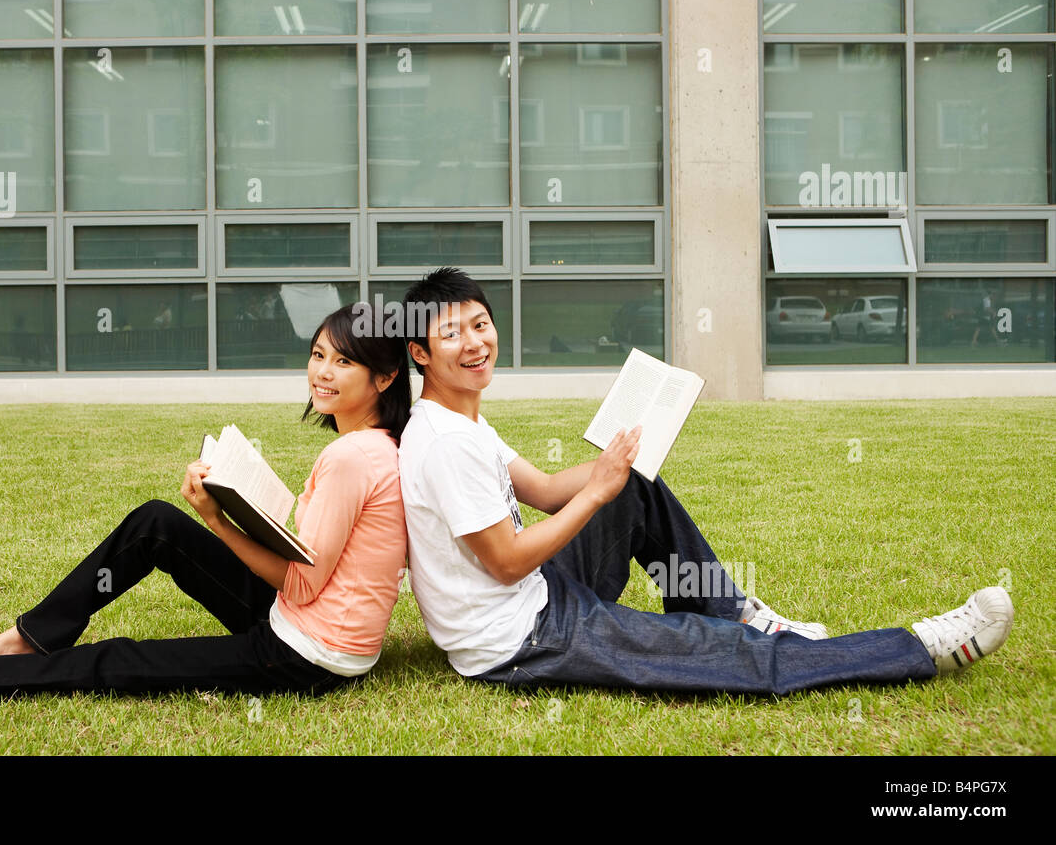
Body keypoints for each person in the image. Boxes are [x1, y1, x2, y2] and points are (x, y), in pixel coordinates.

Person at [396, 268, 1014, 695]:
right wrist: (595, 490)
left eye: (480, 324)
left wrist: (620, 461)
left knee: (635, 484)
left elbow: (545, 486)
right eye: (452, 334)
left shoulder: (461, 420)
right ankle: (921, 646)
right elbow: (504, 562)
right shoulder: (446, 444)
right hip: (518, 637)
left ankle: (735, 610)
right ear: (420, 354)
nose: (475, 343)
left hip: (536, 593)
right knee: (721, 657)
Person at [0, 302, 412, 699]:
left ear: (384, 379)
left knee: (116, 661)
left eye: (344, 362)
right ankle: (26, 637)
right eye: (318, 355)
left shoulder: (351, 458)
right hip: (311, 626)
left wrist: (217, 517)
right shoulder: (376, 446)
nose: (323, 373)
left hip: (306, 654)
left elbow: (302, 583)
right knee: (156, 524)